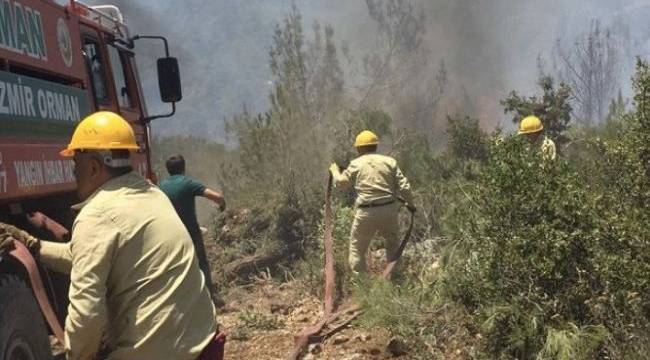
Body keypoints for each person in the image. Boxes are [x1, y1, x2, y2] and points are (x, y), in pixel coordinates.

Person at [8, 111, 218, 359]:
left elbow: (87, 316)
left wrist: (76, 355)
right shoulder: (151, 194)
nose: (73, 173)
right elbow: (87, 256)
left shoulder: (97, 215)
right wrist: (34, 245)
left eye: (75, 164)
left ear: (94, 167)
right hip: (202, 341)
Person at [329, 130, 416, 276]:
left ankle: (363, 284)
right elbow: (405, 187)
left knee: (357, 250)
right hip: (389, 210)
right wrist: (411, 205)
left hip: (366, 212)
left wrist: (334, 171)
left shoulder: (356, 164)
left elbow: (341, 183)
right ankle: (395, 280)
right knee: (393, 246)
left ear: (359, 148)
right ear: (375, 146)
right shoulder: (390, 162)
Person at [159, 155, 226, 301]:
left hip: (168, 236)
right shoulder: (187, 183)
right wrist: (222, 206)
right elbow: (217, 197)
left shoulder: (160, 187)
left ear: (168, 170)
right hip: (190, 233)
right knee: (201, 264)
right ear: (183, 168)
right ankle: (210, 296)